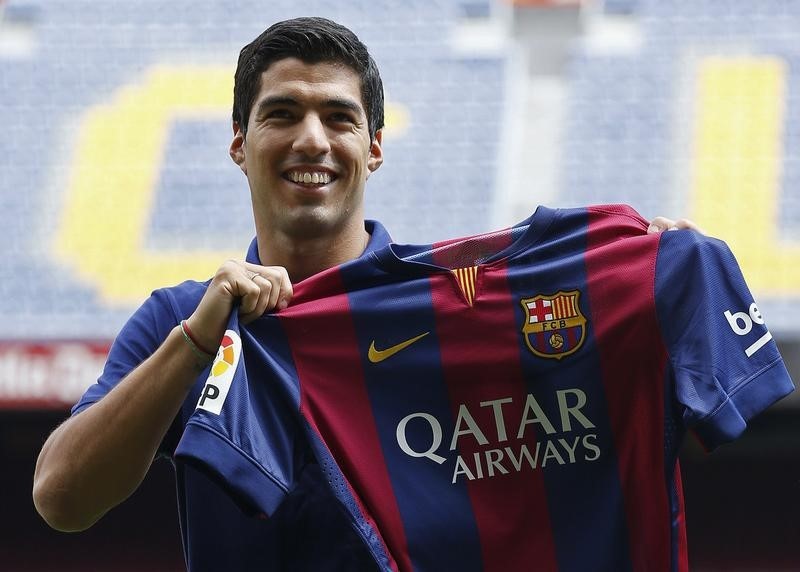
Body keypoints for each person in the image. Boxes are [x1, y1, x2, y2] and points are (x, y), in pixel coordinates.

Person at [32, 16, 743, 572]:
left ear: (374, 146)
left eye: (338, 118)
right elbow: (61, 498)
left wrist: (653, 287)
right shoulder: (182, 318)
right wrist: (194, 342)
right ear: (239, 143)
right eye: (282, 114)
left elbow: (617, 434)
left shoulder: (449, 308)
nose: (312, 140)